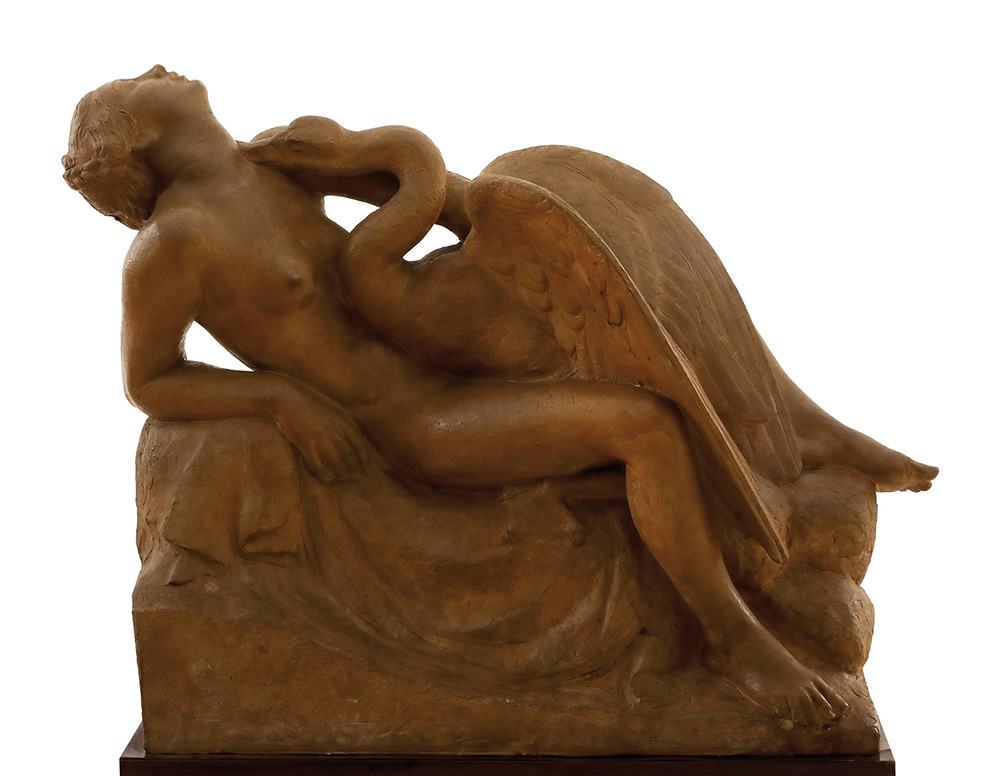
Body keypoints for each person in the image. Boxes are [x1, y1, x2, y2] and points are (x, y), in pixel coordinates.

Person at [65, 65, 923, 725]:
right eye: (138, 80)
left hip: (461, 363)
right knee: (647, 424)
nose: (159, 67)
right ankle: (735, 640)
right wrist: (280, 399)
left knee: (617, 250)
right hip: (419, 423)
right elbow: (148, 378)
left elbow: (454, 202)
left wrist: (374, 157)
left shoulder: (273, 163)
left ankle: (803, 433)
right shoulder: (174, 245)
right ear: (139, 132)